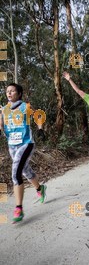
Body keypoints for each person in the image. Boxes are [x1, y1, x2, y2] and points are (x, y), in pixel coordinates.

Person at [0, 83, 46, 223]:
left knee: (15, 173)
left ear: (19, 93)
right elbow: (1, 125)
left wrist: (40, 129)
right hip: (12, 145)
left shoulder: (25, 107)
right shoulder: (4, 109)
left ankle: (18, 208)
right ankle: (40, 188)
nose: (9, 93)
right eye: (7, 91)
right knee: (25, 171)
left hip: (26, 143)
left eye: (12, 91)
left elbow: (38, 115)